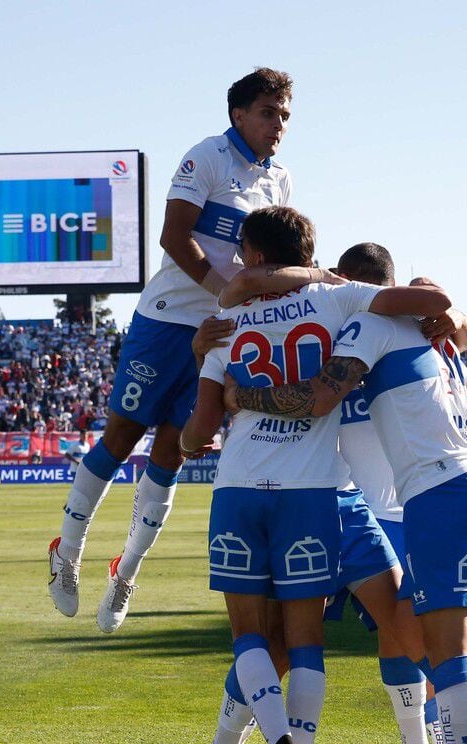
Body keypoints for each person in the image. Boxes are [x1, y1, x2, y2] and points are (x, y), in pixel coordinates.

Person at [181, 209, 454, 744]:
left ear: (252, 255)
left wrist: (453, 322)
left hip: (333, 495)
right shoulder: (339, 303)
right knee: (289, 643)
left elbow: (198, 427)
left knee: (392, 622)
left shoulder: (251, 315)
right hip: (316, 492)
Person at [226, 279, 467, 744]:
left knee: (439, 649)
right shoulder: (430, 332)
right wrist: (457, 314)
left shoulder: (367, 326)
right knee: (414, 629)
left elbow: (319, 397)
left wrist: (238, 395)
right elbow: (458, 320)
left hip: (431, 493)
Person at [48, 67, 298, 634]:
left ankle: (125, 571)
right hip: (165, 322)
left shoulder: (279, 180)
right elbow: (172, 235)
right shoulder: (205, 157)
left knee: (172, 454)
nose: (277, 124)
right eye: (268, 112)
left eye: (284, 115)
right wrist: (224, 290)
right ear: (238, 114)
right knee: (120, 437)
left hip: (219, 333)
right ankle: (66, 551)